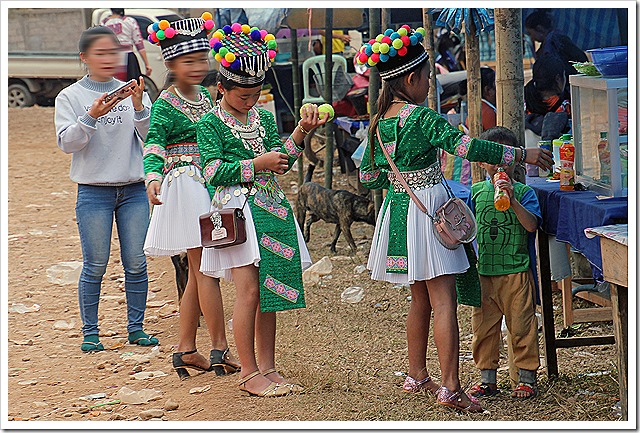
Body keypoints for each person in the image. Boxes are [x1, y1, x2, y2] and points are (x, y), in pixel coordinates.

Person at [356, 25, 552, 413]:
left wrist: (401, 178)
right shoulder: (422, 119)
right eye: (428, 78)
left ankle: (417, 375)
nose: (430, 84)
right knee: (443, 301)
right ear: (412, 79)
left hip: (398, 213)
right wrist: (519, 155)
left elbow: (367, 175)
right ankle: (450, 387)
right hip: (431, 214)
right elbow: (466, 146)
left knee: (419, 300)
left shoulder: (381, 121)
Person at [197, 23, 329, 397]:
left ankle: (268, 367)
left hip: (270, 208)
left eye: (256, 94)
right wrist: (256, 164)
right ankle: (248, 371)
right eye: (243, 96)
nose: (251, 101)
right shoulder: (209, 123)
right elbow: (210, 171)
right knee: (248, 292)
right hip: (235, 213)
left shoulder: (264, 118)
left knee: (269, 290)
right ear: (221, 88)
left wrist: (301, 132)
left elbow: (282, 160)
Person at [143, 13, 239, 379]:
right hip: (184, 184)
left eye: (202, 59)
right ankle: (219, 349)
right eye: (189, 61)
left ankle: (186, 349)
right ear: (170, 64)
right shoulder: (166, 103)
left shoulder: (205, 97)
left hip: (207, 183)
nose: (199, 66)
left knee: (200, 271)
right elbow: (154, 143)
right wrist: (152, 176)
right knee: (207, 271)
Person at [55, 26, 155, 352]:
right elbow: (67, 143)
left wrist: (139, 106)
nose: (109, 58)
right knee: (95, 264)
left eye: (114, 52)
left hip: (134, 190)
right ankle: (91, 333)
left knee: (136, 262)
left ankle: (136, 329)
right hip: (93, 192)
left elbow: (150, 138)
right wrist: (92, 115)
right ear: (84, 57)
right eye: (100, 52)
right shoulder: (70, 96)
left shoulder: (134, 91)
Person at [466, 126, 541, 400]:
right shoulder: (475, 192)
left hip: (516, 272)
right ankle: (487, 379)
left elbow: (532, 226)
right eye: (493, 159)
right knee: (484, 329)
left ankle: (526, 378)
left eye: (505, 158)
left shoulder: (524, 192)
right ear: (483, 162)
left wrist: (512, 200)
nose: (499, 165)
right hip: (485, 272)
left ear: (514, 159)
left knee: (522, 327)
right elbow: (468, 228)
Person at [524, 9, 587, 80]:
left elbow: (581, 57)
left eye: (530, 33)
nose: (531, 37)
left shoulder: (559, 40)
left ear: (539, 28)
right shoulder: (544, 47)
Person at [101, 8, 153, 81]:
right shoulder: (130, 21)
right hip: (129, 59)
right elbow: (139, 43)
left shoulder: (104, 23)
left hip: (112, 59)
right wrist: (147, 64)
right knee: (132, 86)